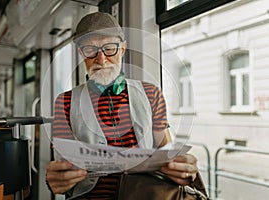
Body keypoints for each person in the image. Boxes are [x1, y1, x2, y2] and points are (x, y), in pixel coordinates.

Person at [46, 12, 199, 199]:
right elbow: (61, 168)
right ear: (81, 53)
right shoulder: (65, 102)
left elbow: (166, 153)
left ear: (123, 49)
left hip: (146, 194)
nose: (101, 60)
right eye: (90, 50)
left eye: (109, 48)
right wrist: (56, 179)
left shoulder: (151, 94)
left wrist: (181, 169)